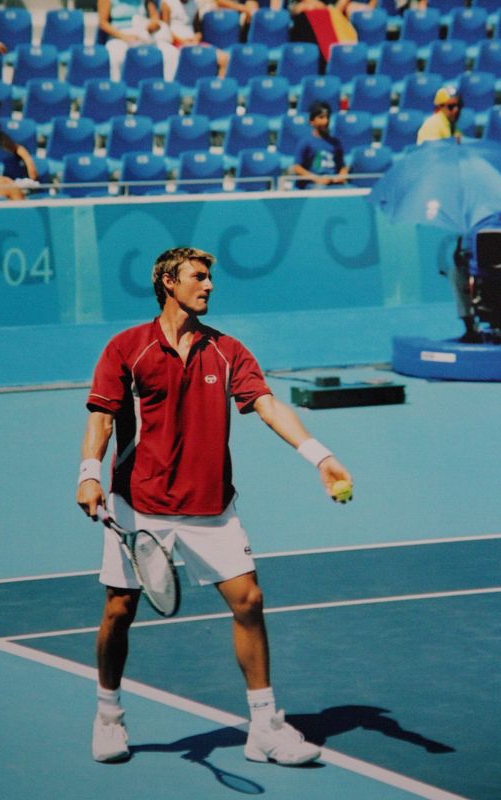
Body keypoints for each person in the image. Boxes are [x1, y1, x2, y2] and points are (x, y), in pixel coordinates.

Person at [76, 246, 354, 765]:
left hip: (210, 504)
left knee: (249, 601)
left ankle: (265, 727)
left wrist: (320, 456)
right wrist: (90, 473)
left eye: (209, 278)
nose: (208, 286)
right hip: (141, 502)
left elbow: (266, 406)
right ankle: (108, 715)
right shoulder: (127, 348)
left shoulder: (227, 350)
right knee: (119, 610)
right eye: (198, 278)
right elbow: (103, 417)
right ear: (167, 282)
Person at [416, 86, 479, 341]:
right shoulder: (434, 126)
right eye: (450, 107)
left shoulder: (453, 129)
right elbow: (437, 161)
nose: (455, 111)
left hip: (459, 200)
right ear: (439, 107)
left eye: (457, 107)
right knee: (458, 267)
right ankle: (469, 323)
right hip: (441, 195)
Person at [97, 0, 179, 82]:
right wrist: (124, 36)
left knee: (171, 53)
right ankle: (116, 88)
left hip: (144, 35)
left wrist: (152, 25)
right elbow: (103, 23)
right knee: (117, 56)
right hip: (119, 36)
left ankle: (168, 87)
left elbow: (154, 17)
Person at [159, 0, 229, 77]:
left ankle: (217, 86)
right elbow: (165, 30)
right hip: (176, 44)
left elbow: (198, 29)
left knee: (223, 58)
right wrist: (182, 41)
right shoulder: (167, 3)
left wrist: (196, 39)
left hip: (194, 43)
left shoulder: (195, 4)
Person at [290, 101, 349, 188]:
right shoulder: (305, 142)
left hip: (333, 183)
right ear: (311, 121)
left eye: (327, 117)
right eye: (321, 117)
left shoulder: (335, 143)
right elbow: (296, 168)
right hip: (312, 184)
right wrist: (317, 179)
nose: (326, 121)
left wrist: (341, 176)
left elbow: (342, 166)